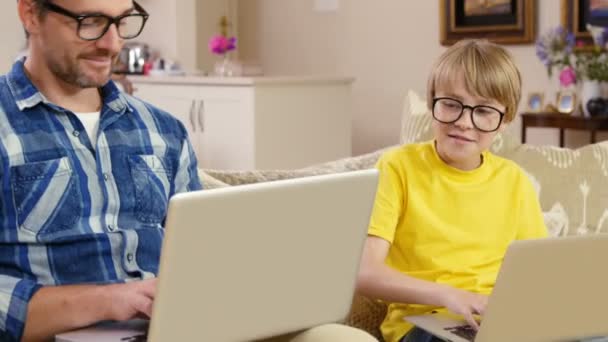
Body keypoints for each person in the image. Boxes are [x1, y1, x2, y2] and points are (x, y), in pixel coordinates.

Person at [0, 1, 376, 341]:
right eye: (91, 22)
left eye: (122, 21)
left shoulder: (162, 130)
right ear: (31, 14)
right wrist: (104, 300)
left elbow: (201, 255)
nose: (112, 44)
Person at [356, 39, 548, 342]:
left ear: (505, 121)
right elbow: (365, 273)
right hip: (425, 325)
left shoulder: (516, 182)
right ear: (432, 104)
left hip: (498, 324)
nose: (463, 122)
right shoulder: (397, 167)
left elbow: (538, 278)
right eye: (451, 104)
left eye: (483, 110)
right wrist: (448, 295)